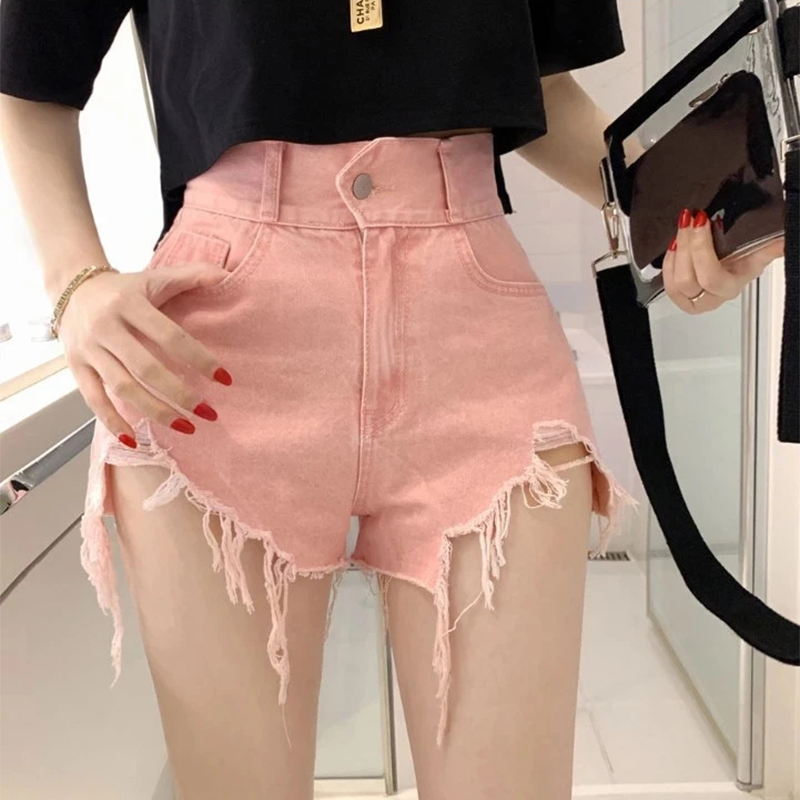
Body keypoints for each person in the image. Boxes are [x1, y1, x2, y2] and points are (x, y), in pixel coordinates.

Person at [0, 1, 782, 798]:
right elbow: (29, 73)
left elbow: (538, 88)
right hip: (218, 349)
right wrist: (75, 283)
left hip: (474, 328)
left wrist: (687, 216)